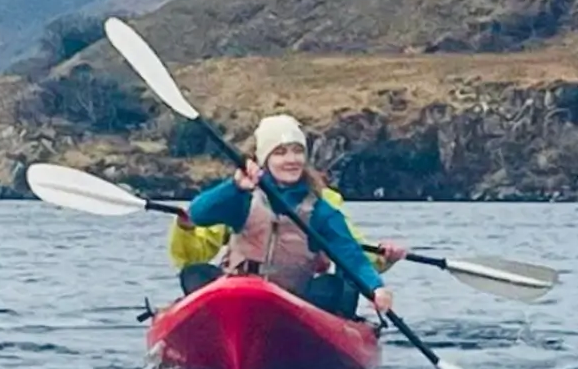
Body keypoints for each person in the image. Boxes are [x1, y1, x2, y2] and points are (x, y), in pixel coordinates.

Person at [169, 114, 405, 320]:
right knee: (195, 273)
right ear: (264, 160)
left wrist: (375, 288)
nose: (291, 159)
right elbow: (198, 213)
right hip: (239, 293)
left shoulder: (321, 210)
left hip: (294, 300)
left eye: (297, 151)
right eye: (280, 153)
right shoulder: (242, 198)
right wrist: (234, 186)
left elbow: (349, 253)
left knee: (333, 286)